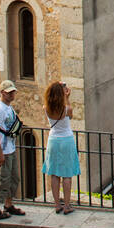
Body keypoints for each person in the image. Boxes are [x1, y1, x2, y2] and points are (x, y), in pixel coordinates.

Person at [0, 79, 26, 221]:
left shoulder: (8, 107)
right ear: (2, 93)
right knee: (1, 180)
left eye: (13, 92)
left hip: (10, 148)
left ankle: (8, 205)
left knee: (13, 178)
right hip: (3, 151)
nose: (12, 95)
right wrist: (0, 154)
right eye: (9, 93)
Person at [43, 80, 80, 214]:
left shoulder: (46, 108)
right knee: (67, 175)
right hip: (66, 140)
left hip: (53, 140)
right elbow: (70, 115)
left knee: (54, 174)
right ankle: (67, 206)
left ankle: (57, 204)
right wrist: (67, 98)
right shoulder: (67, 109)